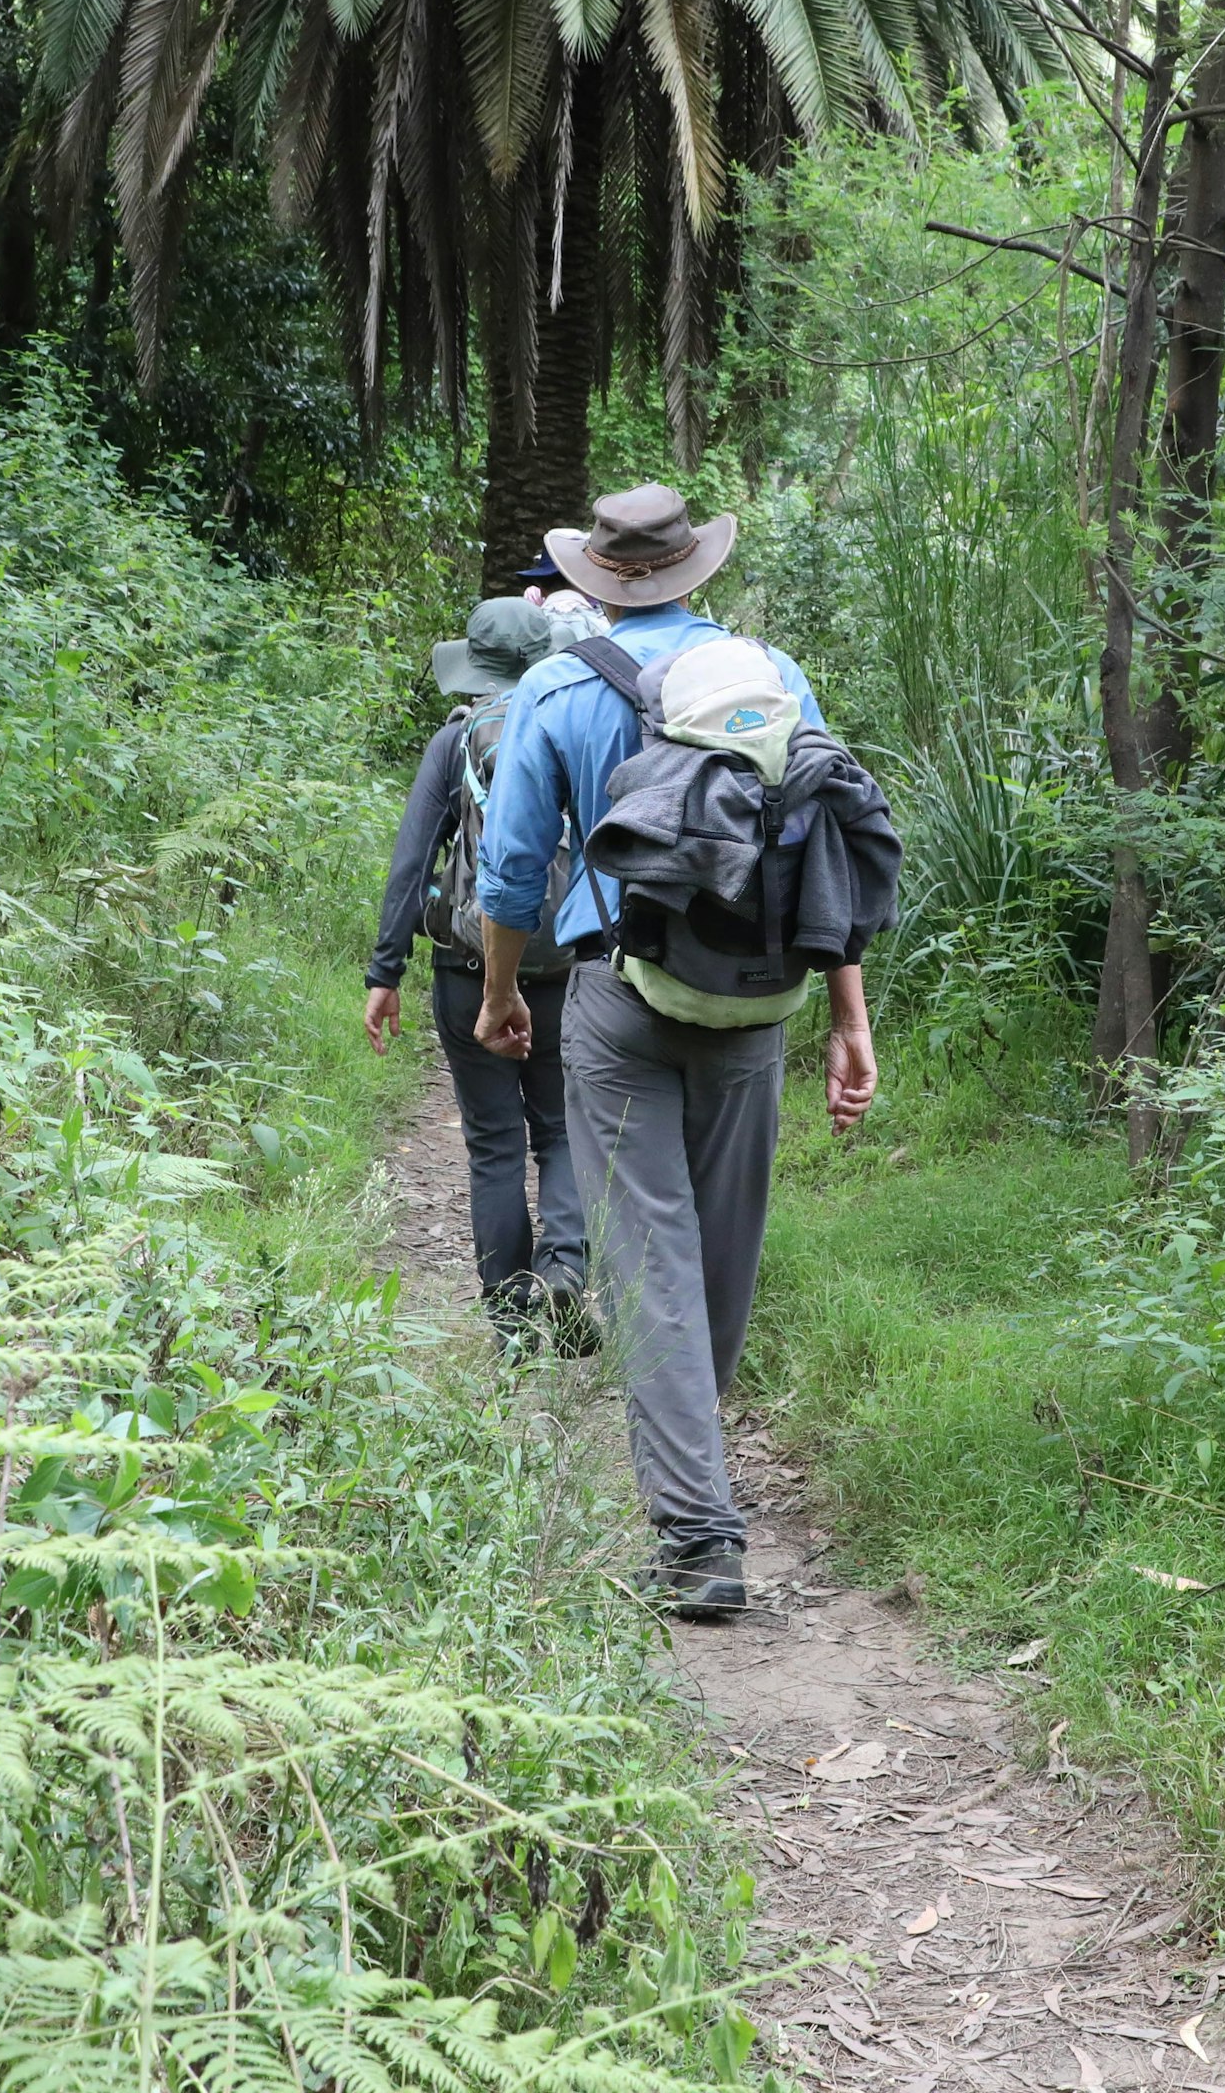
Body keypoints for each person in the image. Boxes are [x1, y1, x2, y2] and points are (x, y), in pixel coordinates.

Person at [473, 486, 884, 1622]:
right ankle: (697, 1467)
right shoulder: (772, 676)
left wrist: (503, 995)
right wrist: (851, 1019)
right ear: (693, 571)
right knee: (721, 1252)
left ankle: (700, 1540)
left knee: (643, 1261)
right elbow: (824, 847)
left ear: (597, 581)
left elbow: (512, 874)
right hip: (757, 998)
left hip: (618, 994)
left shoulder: (558, 686)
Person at [367, 595, 594, 1350]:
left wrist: (385, 971)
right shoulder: (575, 730)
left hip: (469, 967)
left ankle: (510, 1323)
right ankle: (564, 1271)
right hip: (566, 966)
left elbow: (411, 865)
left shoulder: (455, 740)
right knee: (561, 1133)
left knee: (495, 1142)